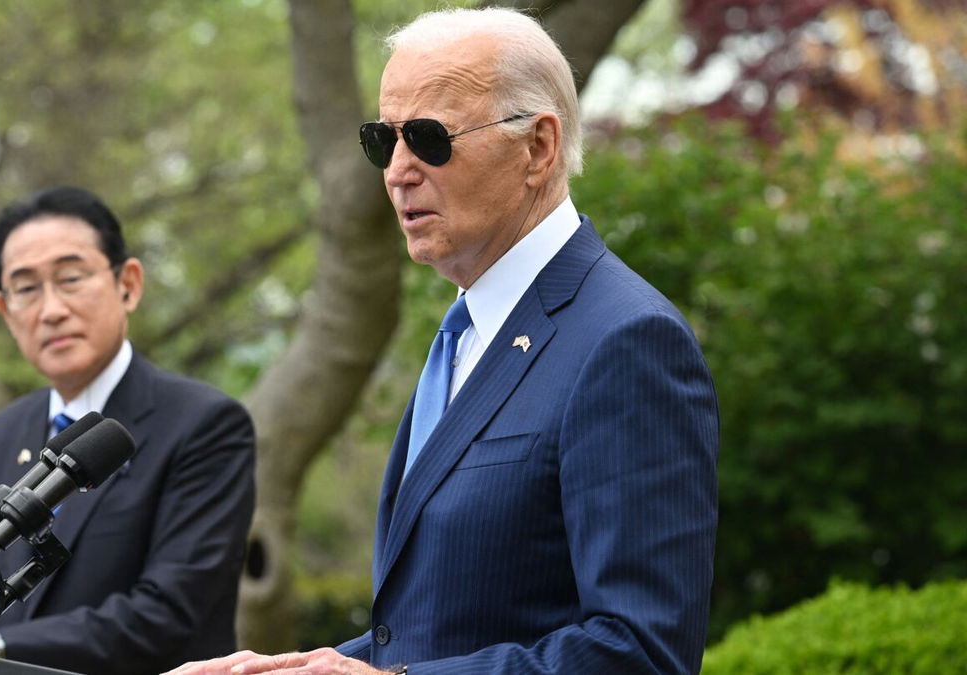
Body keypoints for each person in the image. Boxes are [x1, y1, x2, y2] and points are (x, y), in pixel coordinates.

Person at [168, 7, 718, 675]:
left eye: (429, 137)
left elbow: (643, 652)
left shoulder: (626, 341)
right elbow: (432, 632)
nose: (397, 170)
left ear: (538, 148)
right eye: (382, 140)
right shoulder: (468, 332)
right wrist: (300, 668)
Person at [0, 186, 256, 675]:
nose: (51, 310)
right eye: (26, 289)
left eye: (70, 278)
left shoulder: (204, 423)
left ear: (127, 284)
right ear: (5, 312)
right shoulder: (1, 432)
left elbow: (166, 614)